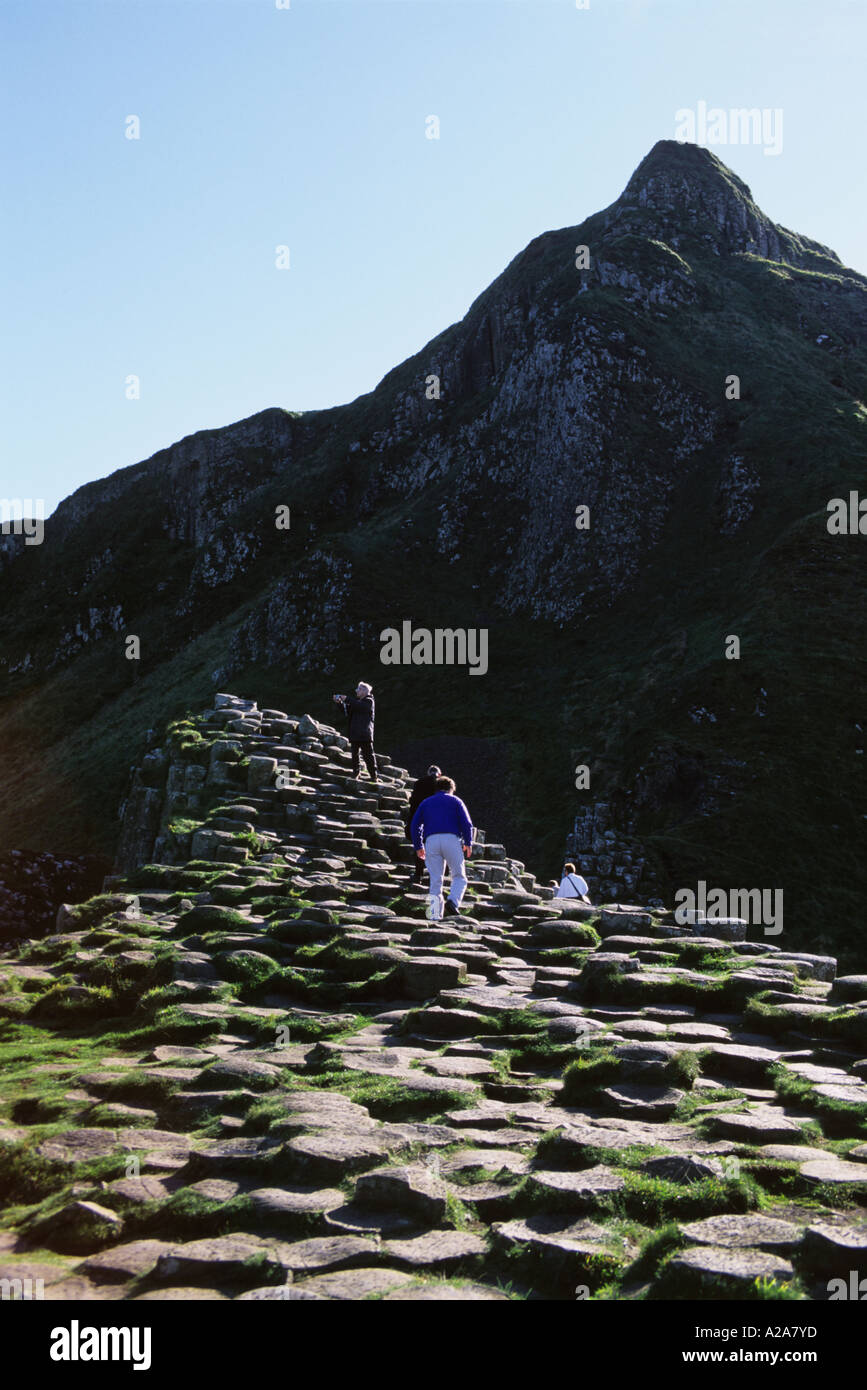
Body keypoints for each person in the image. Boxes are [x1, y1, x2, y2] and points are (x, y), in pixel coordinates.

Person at [410, 775, 474, 920]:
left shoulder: (426, 802)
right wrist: (468, 842)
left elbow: (415, 825)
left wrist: (418, 845)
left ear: (436, 788)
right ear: (451, 789)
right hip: (451, 839)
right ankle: (453, 901)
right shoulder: (456, 801)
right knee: (459, 875)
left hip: (431, 840)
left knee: (435, 879)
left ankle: (434, 915)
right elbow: (467, 823)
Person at [405, 764, 441, 885]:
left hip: (420, 819)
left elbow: (413, 803)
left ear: (428, 773)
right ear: (439, 774)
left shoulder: (419, 783)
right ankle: (434, 876)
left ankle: (418, 874)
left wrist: (411, 822)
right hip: (436, 821)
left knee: (420, 846)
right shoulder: (441, 784)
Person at [333, 682, 377, 781]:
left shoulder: (369, 701)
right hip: (355, 733)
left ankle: (374, 776)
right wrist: (339, 703)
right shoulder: (358, 702)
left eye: (359, 689)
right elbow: (347, 711)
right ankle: (356, 773)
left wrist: (347, 699)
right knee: (355, 755)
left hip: (364, 734)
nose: (356, 690)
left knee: (368, 756)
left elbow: (360, 706)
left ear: (365, 691)